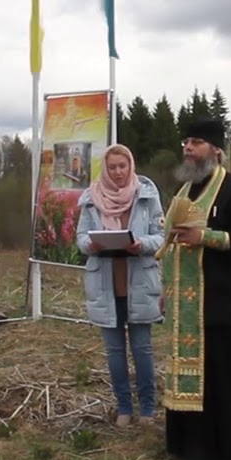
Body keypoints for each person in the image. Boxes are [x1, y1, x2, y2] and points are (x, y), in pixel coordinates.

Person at [161, 117, 231, 460]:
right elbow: (169, 244)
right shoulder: (183, 192)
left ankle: (229, 451)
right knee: (184, 374)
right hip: (182, 303)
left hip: (216, 299)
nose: (188, 147)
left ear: (215, 149)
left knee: (222, 377)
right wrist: (165, 290)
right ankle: (187, 448)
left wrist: (207, 237)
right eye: (186, 141)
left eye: (197, 142)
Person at [75, 144, 166, 427]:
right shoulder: (91, 197)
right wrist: (91, 244)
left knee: (142, 348)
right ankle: (124, 407)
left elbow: (162, 236)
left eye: (122, 166)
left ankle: (148, 409)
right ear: (106, 168)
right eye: (112, 167)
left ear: (131, 166)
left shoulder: (147, 195)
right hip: (105, 284)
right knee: (114, 351)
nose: (117, 172)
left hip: (139, 281)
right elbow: (80, 237)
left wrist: (142, 245)